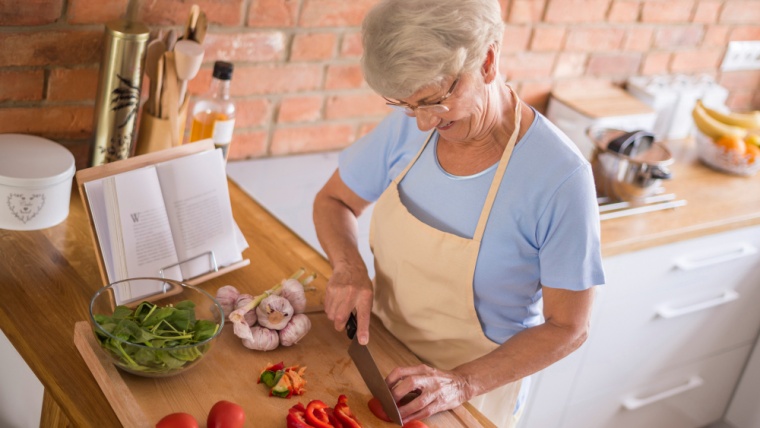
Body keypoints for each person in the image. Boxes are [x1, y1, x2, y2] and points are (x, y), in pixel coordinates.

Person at [312, 0, 605, 426]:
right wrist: (348, 267)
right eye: (407, 106)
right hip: (379, 357)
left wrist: (461, 383)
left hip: (471, 397)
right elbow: (333, 201)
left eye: (434, 101)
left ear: (487, 61)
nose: (422, 125)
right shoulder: (409, 125)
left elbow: (569, 328)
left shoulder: (560, 178)